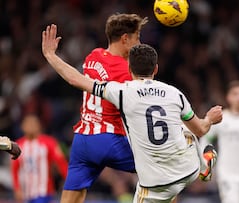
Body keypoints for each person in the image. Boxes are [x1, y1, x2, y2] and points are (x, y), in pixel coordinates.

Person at [42, 24, 222, 203]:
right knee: (182, 134)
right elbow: (201, 129)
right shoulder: (174, 93)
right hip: (172, 165)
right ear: (156, 69)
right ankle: (203, 166)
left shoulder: (119, 88)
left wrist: (50, 55)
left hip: (86, 139)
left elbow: (75, 79)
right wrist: (209, 119)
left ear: (129, 70)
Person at [58, 13, 148, 203]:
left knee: (71, 199)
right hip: (109, 139)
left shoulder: (94, 55)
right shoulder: (126, 70)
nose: (139, 42)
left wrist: (50, 54)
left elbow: (75, 78)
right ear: (125, 38)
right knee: (162, 171)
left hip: (82, 140)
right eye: (137, 37)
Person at [11, 114, 68, 203]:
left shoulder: (49, 142)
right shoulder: (18, 145)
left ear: (39, 126)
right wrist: (17, 188)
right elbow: (14, 169)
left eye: (33, 124)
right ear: (22, 126)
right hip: (26, 192)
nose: (31, 126)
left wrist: (70, 183)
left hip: (43, 192)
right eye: (28, 123)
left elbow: (61, 163)